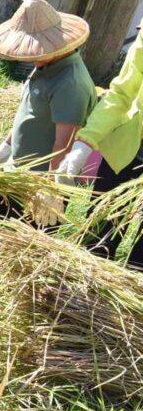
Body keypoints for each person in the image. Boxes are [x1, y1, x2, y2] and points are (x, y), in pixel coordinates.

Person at [0, 0, 95, 227]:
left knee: (19, 249)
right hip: (16, 171)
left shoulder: (69, 82)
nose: (30, 55)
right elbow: (28, 113)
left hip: (39, 184)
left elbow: (63, 143)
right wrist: (6, 147)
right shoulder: (45, 66)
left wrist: (50, 188)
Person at [56, 25, 143, 268]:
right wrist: (85, 143)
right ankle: (81, 297)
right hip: (129, 150)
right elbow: (122, 93)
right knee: (99, 236)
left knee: (139, 262)